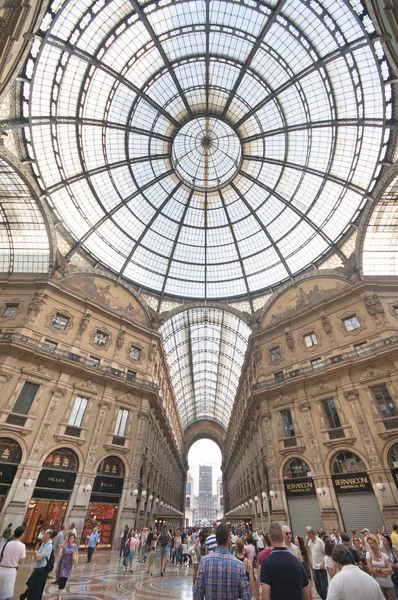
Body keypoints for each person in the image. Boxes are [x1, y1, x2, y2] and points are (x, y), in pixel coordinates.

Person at [193, 523, 251, 600]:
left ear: (216, 540)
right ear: (228, 539)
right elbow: (246, 596)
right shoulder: (239, 565)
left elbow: (197, 596)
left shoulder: (204, 563)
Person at [260, 522, 309, 600]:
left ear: (269, 538)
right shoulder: (297, 562)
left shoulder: (266, 563)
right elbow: (306, 595)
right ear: (283, 536)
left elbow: (265, 597)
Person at [20, 528, 53, 600]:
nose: (43, 534)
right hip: (37, 568)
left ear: (49, 535)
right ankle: (25, 596)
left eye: (45, 533)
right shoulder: (44, 544)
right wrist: (36, 554)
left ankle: (26, 597)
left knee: (36, 588)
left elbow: (38, 557)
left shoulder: (49, 545)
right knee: (32, 585)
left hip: (41, 570)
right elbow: (37, 556)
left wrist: (36, 553)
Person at [0, 525, 26, 600]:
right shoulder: (22, 546)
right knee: (7, 594)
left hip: (1, 568)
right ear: (22, 534)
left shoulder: (7, 544)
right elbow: (21, 561)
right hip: (11, 571)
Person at [366, 533, 395, 600]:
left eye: (372, 543)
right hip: (378, 584)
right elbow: (370, 569)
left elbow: (390, 570)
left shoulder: (384, 555)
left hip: (388, 583)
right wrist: (383, 574)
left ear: (376, 543)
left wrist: (378, 569)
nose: (371, 545)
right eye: (369, 544)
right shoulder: (368, 555)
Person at [307, 527, 328, 600]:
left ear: (311, 533)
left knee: (324, 587)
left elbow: (325, 553)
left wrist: (323, 563)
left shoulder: (320, 542)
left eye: (307, 532)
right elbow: (308, 551)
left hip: (321, 568)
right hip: (315, 568)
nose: (306, 534)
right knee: (318, 587)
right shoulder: (310, 542)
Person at [57, 533, 77, 599]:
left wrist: (76, 563)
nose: (71, 539)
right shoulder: (65, 546)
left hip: (69, 565)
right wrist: (57, 565)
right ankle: (59, 595)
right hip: (63, 564)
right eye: (70, 538)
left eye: (72, 538)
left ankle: (61, 590)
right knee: (62, 578)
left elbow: (76, 555)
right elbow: (61, 555)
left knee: (65, 578)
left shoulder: (74, 546)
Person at [296, 535, 313, 600]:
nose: (295, 540)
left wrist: (313, 571)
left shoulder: (304, 550)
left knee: (309, 593)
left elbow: (309, 560)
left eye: (296, 539)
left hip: (306, 571)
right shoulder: (295, 549)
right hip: (299, 572)